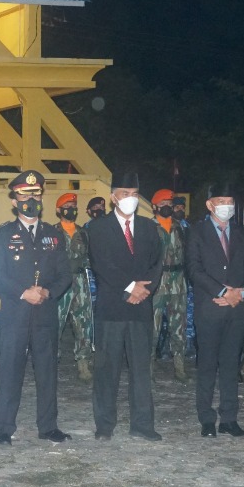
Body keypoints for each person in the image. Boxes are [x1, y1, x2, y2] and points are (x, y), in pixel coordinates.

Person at [0, 171, 73, 445]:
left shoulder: (54, 235)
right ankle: (3, 428)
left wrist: (48, 292)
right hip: (16, 312)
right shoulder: (2, 235)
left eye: (35, 195)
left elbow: (65, 275)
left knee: (47, 370)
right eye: (24, 195)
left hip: (45, 312)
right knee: (10, 369)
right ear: (14, 200)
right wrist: (24, 293)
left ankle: (48, 426)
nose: (31, 200)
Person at [85, 171, 163, 441]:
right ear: (112, 198)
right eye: (124, 194)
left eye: (134, 195)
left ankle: (143, 425)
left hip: (141, 308)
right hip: (112, 308)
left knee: (142, 370)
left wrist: (146, 289)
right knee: (107, 370)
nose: (130, 199)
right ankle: (104, 425)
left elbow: (158, 263)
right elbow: (101, 264)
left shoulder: (149, 228)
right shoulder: (96, 228)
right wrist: (130, 287)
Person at [186, 185, 244, 438]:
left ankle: (229, 418)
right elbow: (194, 270)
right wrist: (221, 292)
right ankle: (206, 419)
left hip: (236, 309)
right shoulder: (197, 232)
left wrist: (240, 294)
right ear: (210, 205)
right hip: (210, 308)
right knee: (207, 365)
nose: (226, 205)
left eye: (230, 200)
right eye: (221, 200)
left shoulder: (241, 234)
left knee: (231, 365)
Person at [149, 189, 189, 382]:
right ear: (154, 206)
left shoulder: (180, 227)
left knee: (179, 327)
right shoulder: (148, 228)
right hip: (157, 282)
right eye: (163, 203)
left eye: (170, 203)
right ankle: (148, 369)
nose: (168, 207)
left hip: (178, 282)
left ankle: (179, 367)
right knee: (152, 328)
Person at [54, 193, 94, 382]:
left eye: (73, 205)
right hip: (59, 283)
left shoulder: (83, 233)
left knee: (83, 324)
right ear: (58, 210)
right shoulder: (51, 233)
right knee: (55, 324)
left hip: (80, 282)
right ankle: (52, 360)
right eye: (67, 206)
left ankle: (83, 363)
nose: (71, 209)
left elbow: (89, 258)